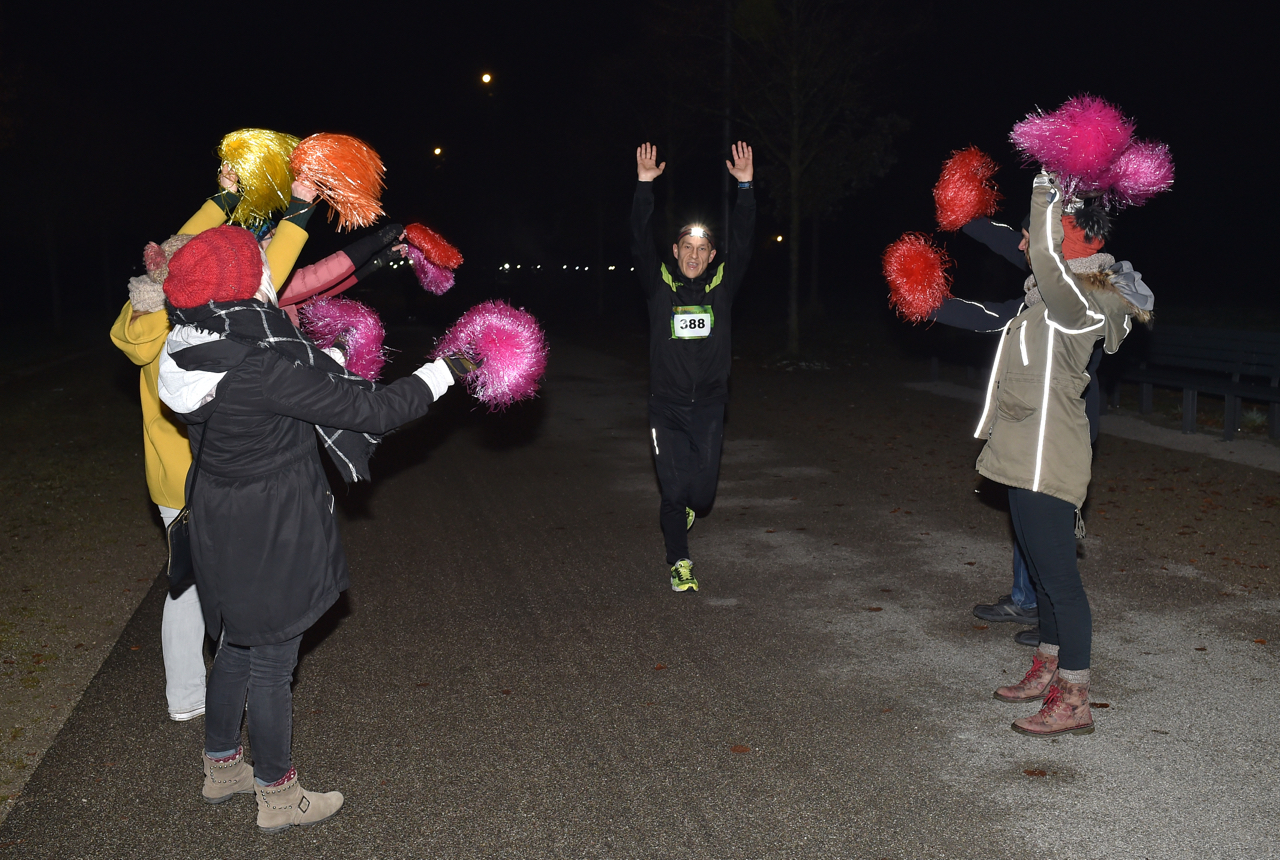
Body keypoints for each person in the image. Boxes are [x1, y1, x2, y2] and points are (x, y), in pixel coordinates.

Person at [156, 225, 462, 831]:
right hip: (271, 526)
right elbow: (374, 411)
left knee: (238, 646)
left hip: (221, 519)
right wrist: (445, 371)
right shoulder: (259, 365)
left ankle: (222, 767)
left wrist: (335, 361)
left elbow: (286, 386)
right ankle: (277, 794)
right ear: (245, 287)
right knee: (272, 660)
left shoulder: (190, 344)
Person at [110, 166, 317, 720]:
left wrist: (224, 198)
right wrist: (299, 207)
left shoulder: (143, 319)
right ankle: (238, 687)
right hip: (224, 472)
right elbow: (262, 270)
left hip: (171, 480)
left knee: (187, 583)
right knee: (235, 581)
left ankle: (187, 696)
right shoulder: (214, 310)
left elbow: (183, 254)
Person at [974, 173, 1152, 736]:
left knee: (1061, 582)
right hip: (1025, 450)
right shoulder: (1052, 295)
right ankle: (1049, 669)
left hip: (1052, 455)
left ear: (1069, 235)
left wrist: (1042, 192)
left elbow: (1047, 260)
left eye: (1037, 233)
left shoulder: (1081, 296)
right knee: (1044, 574)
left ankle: (1075, 699)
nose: (1025, 244)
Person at [934, 205, 1116, 646]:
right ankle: (1034, 611)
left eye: (1028, 237)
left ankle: (1059, 651)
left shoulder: (1071, 298)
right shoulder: (1042, 295)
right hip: (1029, 434)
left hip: (1055, 433)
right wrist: (932, 302)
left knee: (1053, 565)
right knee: (1034, 539)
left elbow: (1013, 289)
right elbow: (998, 309)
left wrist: (1043, 184)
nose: (1019, 245)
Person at [630, 141, 755, 592]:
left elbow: (743, 241)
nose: (694, 255)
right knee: (674, 489)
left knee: (701, 497)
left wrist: (745, 186)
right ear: (677, 251)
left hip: (709, 406)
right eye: (687, 246)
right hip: (665, 406)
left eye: (703, 249)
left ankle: (685, 511)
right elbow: (639, 243)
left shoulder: (721, 288)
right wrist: (645, 187)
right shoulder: (659, 287)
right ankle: (679, 561)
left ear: (712, 257)